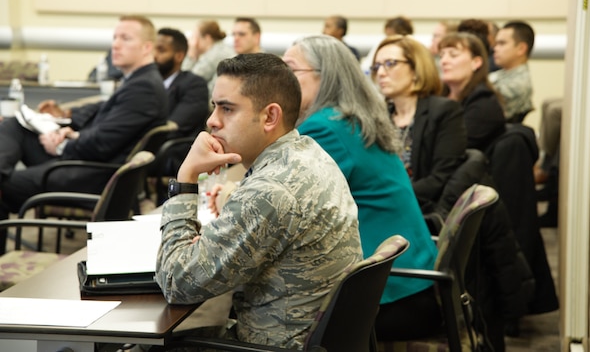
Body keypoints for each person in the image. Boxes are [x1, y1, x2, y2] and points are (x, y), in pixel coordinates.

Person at [155, 53, 363, 349]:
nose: (211, 121)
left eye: (227, 109)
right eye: (215, 107)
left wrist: (185, 177)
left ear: (270, 117)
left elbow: (176, 282)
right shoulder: (307, 152)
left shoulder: (271, 190)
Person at [282, 35, 440, 341]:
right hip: (411, 285)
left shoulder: (324, 128)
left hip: (388, 299)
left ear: (325, 77)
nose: (280, 82)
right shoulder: (350, 119)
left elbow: (285, 211)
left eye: (291, 71)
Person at [0, 15, 168, 221]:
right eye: (115, 37)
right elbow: (103, 115)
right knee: (16, 125)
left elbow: (103, 143)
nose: (115, 45)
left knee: (4, 186)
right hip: (87, 162)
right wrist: (70, 129)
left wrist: (63, 145)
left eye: (125, 38)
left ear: (146, 48)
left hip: (92, 175)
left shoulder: (144, 88)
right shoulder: (138, 81)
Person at [370, 34, 467, 213]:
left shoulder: (444, 111)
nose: (381, 73)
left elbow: (440, 179)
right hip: (384, 207)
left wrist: (387, 197)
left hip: (421, 211)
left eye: (390, 63)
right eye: (377, 67)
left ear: (416, 69)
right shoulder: (379, 117)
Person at [439, 31, 506, 151]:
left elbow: (453, 147)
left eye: (453, 55)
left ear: (476, 63)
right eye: (442, 55)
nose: (444, 61)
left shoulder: (484, 103)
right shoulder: (436, 96)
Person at [154, 27, 209, 138]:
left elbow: (172, 129)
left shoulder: (194, 85)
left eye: (161, 50)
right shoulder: (148, 84)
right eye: (152, 50)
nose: (154, 56)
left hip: (171, 151)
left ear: (179, 56)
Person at [488, 20, 536, 122]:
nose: (495, 49)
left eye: (502, 43)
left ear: (521, 49)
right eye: (496, 44)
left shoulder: (518, 84)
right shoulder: (501, 74)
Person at [181, 20, 235, 95]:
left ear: (207, 38)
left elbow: (185, 81)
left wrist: (191, 54)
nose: (192, 42)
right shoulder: (219, 49)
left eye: (195, 37)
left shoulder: (215, 54)